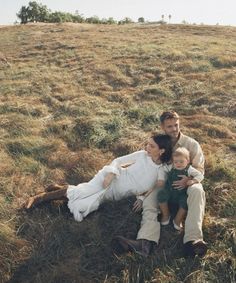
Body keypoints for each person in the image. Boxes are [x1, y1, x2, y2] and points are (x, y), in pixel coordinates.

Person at [115, 111, 207, 257]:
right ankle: (145, 243)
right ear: (163, 127)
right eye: (169, 126)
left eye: (176, 125)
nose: (174, 129)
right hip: (165, 183)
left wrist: (188, 180)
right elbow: (147, 160)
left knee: (198, 190)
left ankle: (193, 241)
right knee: (150, 200)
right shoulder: (160, 142)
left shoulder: (192, 144)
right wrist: (142, 194)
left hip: (187, 183)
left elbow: (200, 169)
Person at [26, 134, 172, 223]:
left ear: (162, 151)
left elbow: (156, 187)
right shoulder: (141, 155)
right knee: (83, 193)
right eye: (148, 144)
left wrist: (141, 199)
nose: (147, 147)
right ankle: (40, 198)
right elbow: (118, 160)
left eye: (151, 146)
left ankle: (60, 189)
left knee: (84, 206)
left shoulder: (162, 170)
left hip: (117, 194)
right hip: (112, 178)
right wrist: (110, 174)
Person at [158, 147, 204, 231]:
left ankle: (177, 220)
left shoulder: (189, 169)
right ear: (173, 161)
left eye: (181, 161)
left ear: (188, 161)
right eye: (176, 162)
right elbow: (161, 169)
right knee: (161, 194)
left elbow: (200, 175)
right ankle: (166, 214)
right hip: (169, 191)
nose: (178, 164)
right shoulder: (171, 167)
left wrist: (193, 180)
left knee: (185, 201)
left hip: (181, 193)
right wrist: (161, 179)